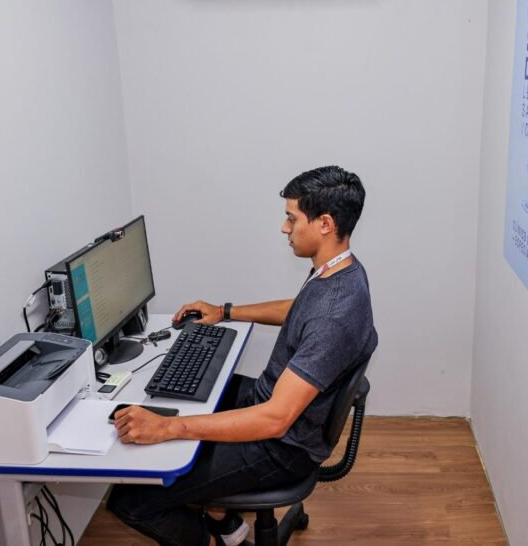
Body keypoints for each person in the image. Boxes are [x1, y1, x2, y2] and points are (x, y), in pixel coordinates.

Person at [107, 165, 378, 546]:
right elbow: (300, 310)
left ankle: (207, 533)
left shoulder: (333, 314)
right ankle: (227, 523)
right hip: (273, 404)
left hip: (283, 446)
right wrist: (226, 311)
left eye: (292, 218)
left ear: (325, 224)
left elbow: (275, 419)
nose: (284, 228)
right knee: (191, 394)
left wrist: (169, 428)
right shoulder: (341, 271)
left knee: (131, 499)